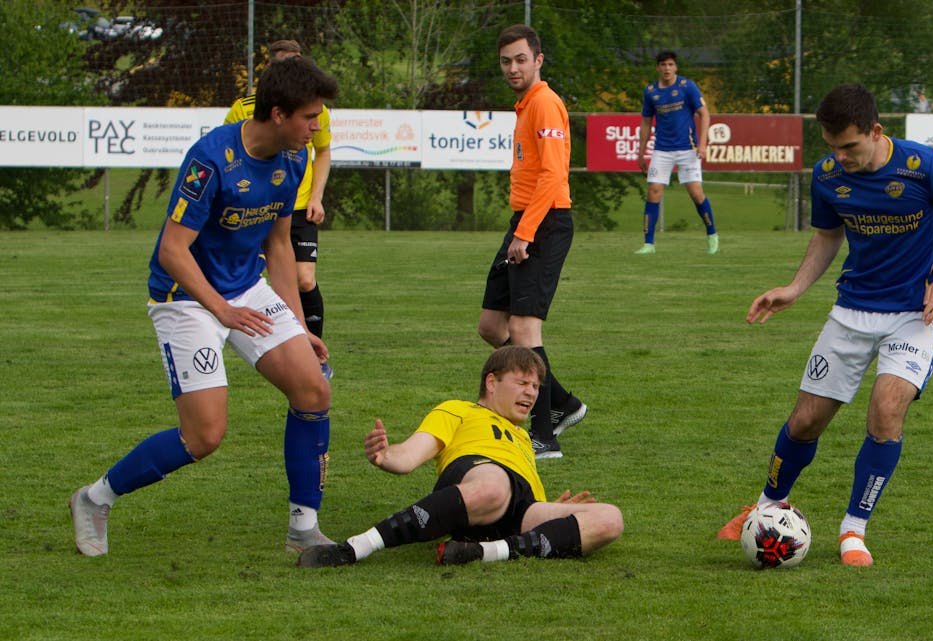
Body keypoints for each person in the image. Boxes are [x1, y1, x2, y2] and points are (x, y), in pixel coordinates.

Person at [70, 56, 341, 557]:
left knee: (313, 387)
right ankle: (94, 498)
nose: (317, 127)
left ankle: (303, 527)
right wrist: (221, 310)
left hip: (244, 288)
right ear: (279, 113)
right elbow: (173, 251)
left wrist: (299, 328)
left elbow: (279, 246)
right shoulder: (210, 159)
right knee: (205, 435)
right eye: (310, 116)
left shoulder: (293, 158)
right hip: (186, 296)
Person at [717, 84, 933, 567]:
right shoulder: (827, 175)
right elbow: (827, 234)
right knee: (806, 421)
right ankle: (766, 507)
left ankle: (853, 529)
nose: (840, 157)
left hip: (915, 315)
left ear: (876, 132)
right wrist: (795, 288)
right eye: (831, 147)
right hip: (852, 310)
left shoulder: (928, 167)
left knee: (886, 410)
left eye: (850, 147)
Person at [297, 346, 623, 568]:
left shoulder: (523, 437)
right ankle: (354, 548)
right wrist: (386, 456)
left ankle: (481, 552)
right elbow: (410, 456)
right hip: (476, 477)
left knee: (609, 518)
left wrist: (557, 515)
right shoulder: (458, 410)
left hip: (517, 504)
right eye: (522, 382)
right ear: (491, 382)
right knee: (494, 485)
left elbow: (528, 503)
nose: (531, 393)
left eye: (536, 387)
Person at [477, 24, 587, 461]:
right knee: (491, 326)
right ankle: (561, 400)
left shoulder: (544, 103)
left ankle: (544, 434)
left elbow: (553, 176)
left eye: (521, 59)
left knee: (524, 329)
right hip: (524, 220)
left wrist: (526, 233)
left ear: (538, 60)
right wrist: (520, 227)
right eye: (506, 61)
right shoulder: (526, 106)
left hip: (544, 223)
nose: (513, 68)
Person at [225, 40, 338, 378]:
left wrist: (316, 196)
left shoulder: (310, 125)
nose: (313, 125)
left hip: (295, 209)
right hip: (253, 214)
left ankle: (311, 347)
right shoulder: (240, 112)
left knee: (304, 280)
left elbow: (325, 153)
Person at [635, 50, 718, 256]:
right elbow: (646, 122)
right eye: (663, 65)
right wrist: (641, 152)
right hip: (662, 149)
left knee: (696, 193)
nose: (667, 69)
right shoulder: (651, 91)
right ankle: (649, 244)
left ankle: (712, 234)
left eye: (670, 65)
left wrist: (703, 143)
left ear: (676, 67)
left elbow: (704, 113)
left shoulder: (686, 86)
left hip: (687, 148)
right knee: (653, 191)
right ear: (657, 68)